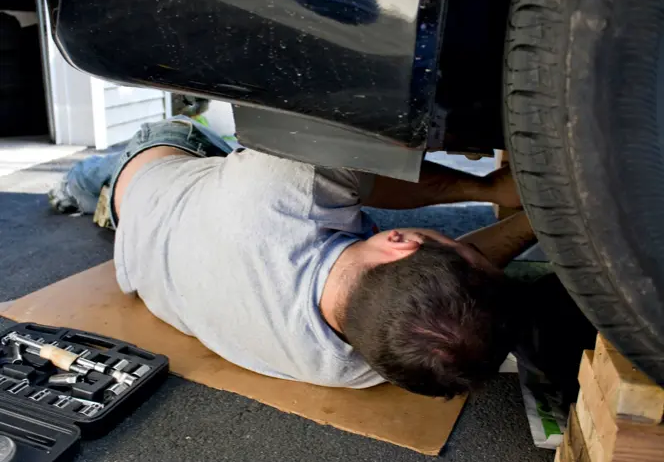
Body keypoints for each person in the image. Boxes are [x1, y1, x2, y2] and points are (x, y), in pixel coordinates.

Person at [53, 117, 538, 398]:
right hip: (145, 261)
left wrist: (486, 187)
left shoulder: (284, 185)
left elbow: (365, 171)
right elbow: (456, 299)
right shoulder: (356, 366)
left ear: (402, 241)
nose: (467, 248)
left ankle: (74, 181)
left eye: (459, 248)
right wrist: (541, 218)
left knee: (105, 170)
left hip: (152, 175)